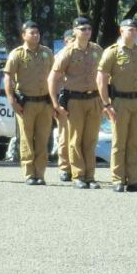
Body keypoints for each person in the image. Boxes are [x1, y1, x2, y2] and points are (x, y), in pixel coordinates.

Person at [97, 19, 137, 193]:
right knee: (119, 142)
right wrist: (106, 103)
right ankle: (118, 179)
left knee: (134, 142)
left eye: (136, 29)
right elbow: (101, 78)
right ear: (121, 31)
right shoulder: (112, 52)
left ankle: (134, 180)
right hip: (119, 101)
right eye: (130, 29)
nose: (134, 32)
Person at [49, 17, 103, 189]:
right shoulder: (67, 52)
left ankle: (90, 176)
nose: (87, 32)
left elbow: (105, 74)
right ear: (74, 31)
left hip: (94, 98)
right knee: (75, 139)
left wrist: (106, 100)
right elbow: (53, 78)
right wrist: (55, 103)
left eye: (88, 28)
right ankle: (78, 175)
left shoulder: (97, 49)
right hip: (75, 100)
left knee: (91, 139)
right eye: (82, 29)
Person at [3, 21, 54, 185]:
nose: (36, 35)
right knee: (26, 139)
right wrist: (11, 100)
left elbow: (55, 76)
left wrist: (55, 100)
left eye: (38, 33)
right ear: (23, 35)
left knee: (42, 139)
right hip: (26, 104)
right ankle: (29, 174)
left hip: (45, 103)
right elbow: (8, 77)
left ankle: (40, 174)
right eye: (32, 33)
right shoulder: (17, 54)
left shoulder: (47, 52)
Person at [54, 29, 75, 182]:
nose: (72, 42)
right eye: (70, 40)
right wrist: (54, 103)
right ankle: (64, 168)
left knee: (79, 137)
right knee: (64, 135)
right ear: (64, 41)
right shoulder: (59, 56)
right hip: (64, 100)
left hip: (79, 99)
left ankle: (77, 167)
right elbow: (51, 81)